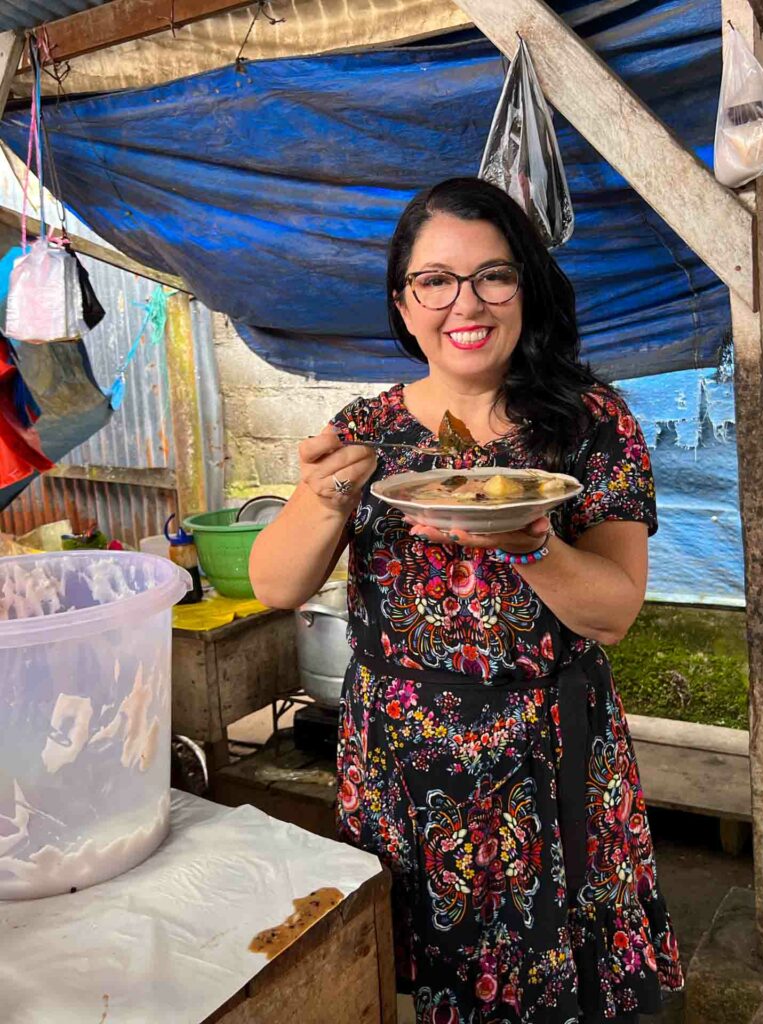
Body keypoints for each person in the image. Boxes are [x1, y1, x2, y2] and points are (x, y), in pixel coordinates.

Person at [249, 177, 683, 1023]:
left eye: (493, 275)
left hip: (551, 753)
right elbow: (275, 584)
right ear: (404, 306)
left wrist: (529, 542)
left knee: (576, 992)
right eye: (435, 281)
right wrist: (329, 498)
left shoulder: (592, 425)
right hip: (404, 765)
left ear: (526, 288)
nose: (465, 303)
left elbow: (614, 611)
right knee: (429, 980)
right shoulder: (366, 430)